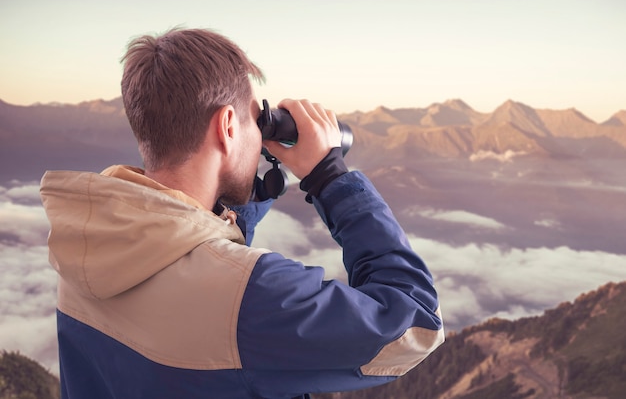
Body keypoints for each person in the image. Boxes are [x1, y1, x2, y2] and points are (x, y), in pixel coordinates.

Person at [40, 27, 444, 399]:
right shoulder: (254, 299)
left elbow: (195, 264)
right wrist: (330, 177)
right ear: (228, 126)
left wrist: (245, 184)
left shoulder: (86, 244)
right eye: (256, 119)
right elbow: (416, 324)